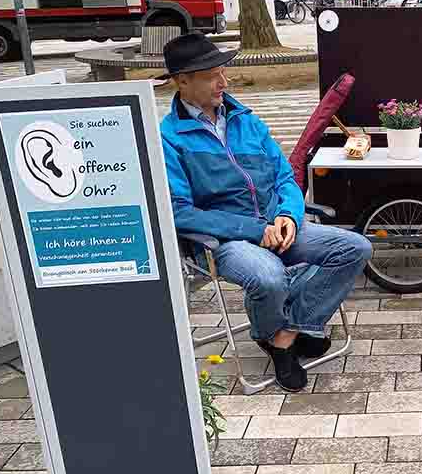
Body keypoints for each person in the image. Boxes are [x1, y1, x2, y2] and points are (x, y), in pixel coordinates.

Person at [159, 33, 372, 392]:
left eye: (222, 72)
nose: (223, 82)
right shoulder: (169, 138)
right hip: (224, 240)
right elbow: (179, 211)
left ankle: (286, 333)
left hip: (278, 223)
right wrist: (254, 230)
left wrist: (288, 214)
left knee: (355, 248)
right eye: (212, 75)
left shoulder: (247, 121)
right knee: (270, 276)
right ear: (182, 81)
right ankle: (282, 339)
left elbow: (285, 175)